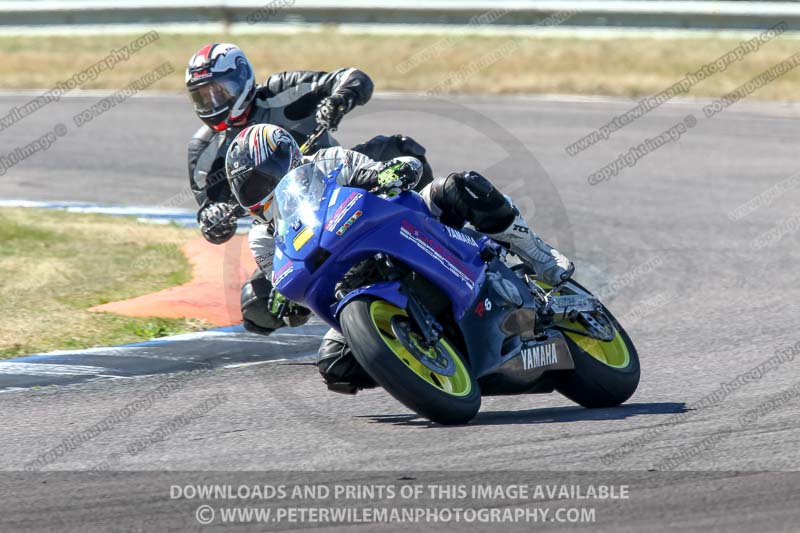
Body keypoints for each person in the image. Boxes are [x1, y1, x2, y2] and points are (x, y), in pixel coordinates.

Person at [225, 124, 575, 395]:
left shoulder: (329, 163)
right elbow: (290, 290)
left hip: (402, 229)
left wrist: (389, 173)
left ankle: (536, 251)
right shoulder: (262, 238)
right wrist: (283, 301)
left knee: (456, 186)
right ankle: (425, 372)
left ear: (286, 157)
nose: (262, 191)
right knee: (336, 366)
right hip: (352, 288)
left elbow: (387, 172)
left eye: (264, 176)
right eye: (250, 189)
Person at [184, 43, 433, 334]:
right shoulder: (203, 150)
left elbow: (354, 77)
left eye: (219, 90)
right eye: (203, 96)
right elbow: (209, 215)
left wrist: (340, 99)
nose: (213, 102)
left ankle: (433, 220)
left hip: (343, 184)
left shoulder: (282, 91)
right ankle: (348, 319)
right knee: (256, 306)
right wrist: (214, 220)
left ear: (242, 80)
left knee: (400, 150)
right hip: (288, 229)